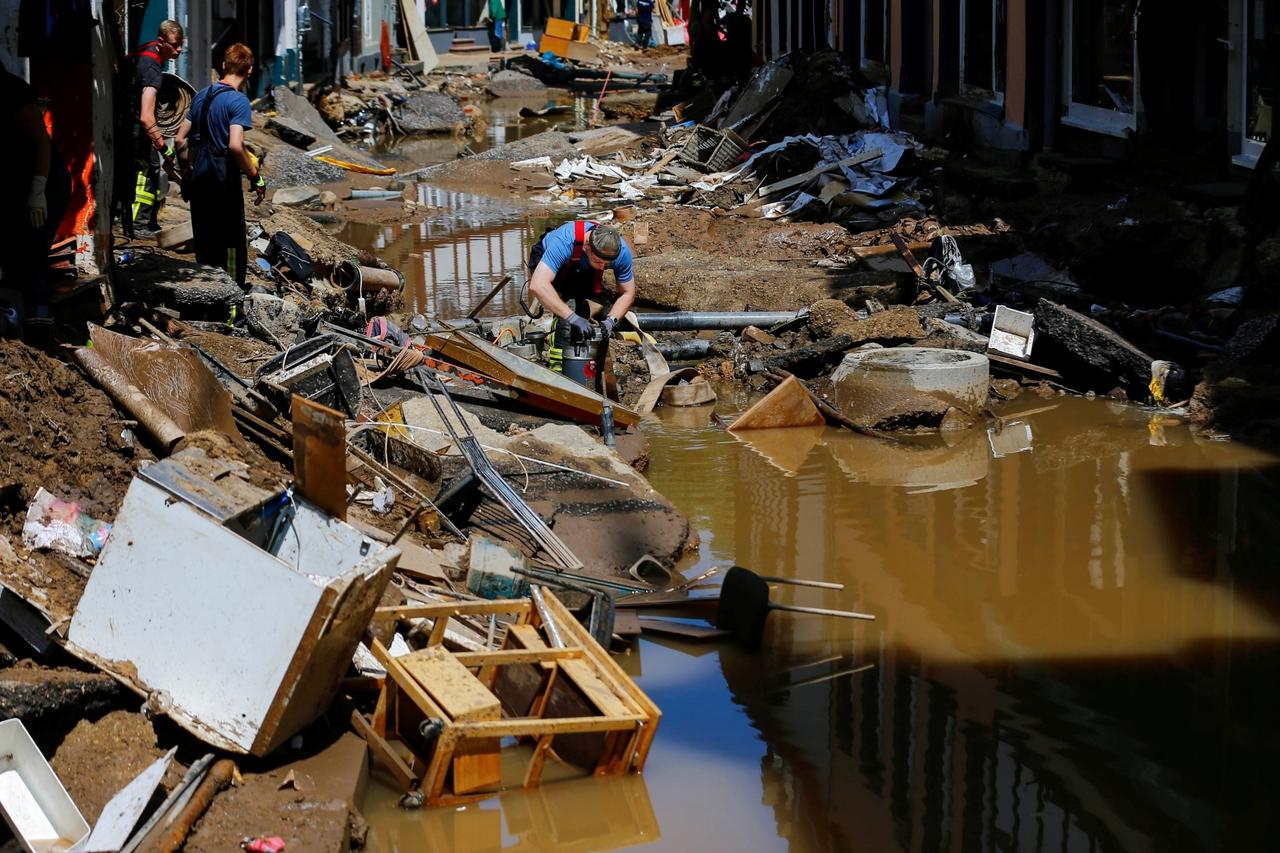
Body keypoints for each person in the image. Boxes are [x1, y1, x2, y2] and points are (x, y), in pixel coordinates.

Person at [174, 43, 266, 289]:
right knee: (232, 242)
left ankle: (207, 294)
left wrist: (185, 175)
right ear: (249, 71)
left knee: (205, 240)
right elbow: (236, 146)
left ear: (224, 66)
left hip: (199, 177)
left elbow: (179, 139)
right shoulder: (238, 102)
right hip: (223, 180)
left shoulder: (201, 95)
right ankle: (232, 297)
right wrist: (255, 176)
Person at [0, 67, 70, 338]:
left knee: (28, 256)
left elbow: (40, 141)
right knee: (12, 255)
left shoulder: (11, 89)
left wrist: (38, 190)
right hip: (15, 185)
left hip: (44, 185)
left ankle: (38, 334)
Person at [526, 221, 636, 364]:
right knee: (567, 315)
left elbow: (628, 293)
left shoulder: (622, 253)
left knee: (587, 308)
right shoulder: (564, 242)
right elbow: (537, 285)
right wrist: (572, 317)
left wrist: (611, 321)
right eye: (599, 261)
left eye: (607, 265)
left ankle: (580, 356)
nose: (602, 267)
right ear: (587, 246)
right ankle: (558, 358)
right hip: (548, 260)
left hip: (582, 265)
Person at [131, 19, 184, 235]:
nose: (179, 49)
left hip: (127, 123)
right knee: (146, 172)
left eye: (181, 43)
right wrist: (164, 147)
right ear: (161, 41)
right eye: (174, 44)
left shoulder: (147, 50)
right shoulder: (151, 67)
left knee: (145, 171)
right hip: (136, 129)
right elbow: (145, 116)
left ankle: (148, 222)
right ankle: (139, 224)